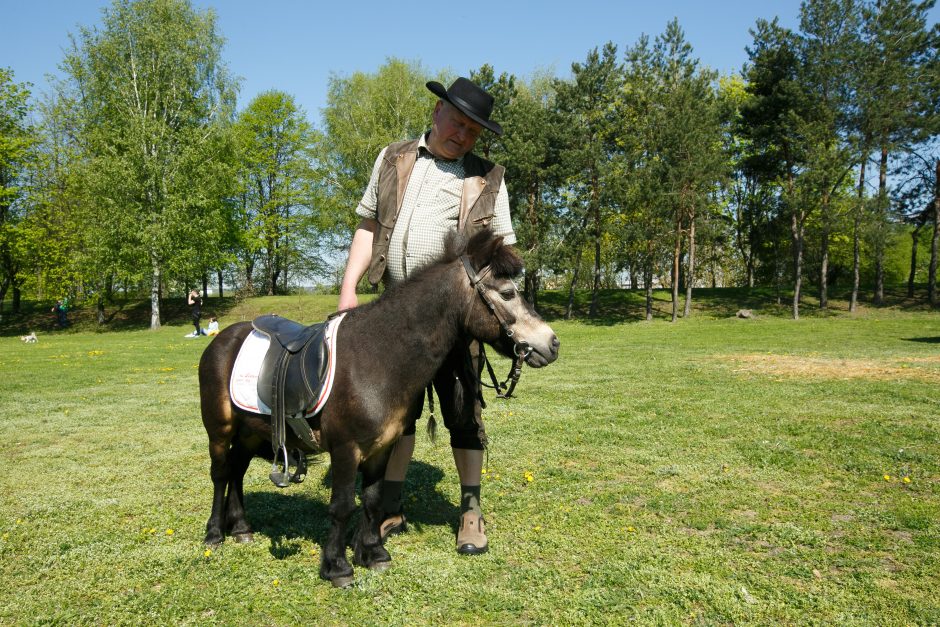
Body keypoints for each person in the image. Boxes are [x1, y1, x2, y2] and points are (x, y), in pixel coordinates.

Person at [338, 77, 516, 555]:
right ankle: (388, 508)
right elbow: (368, 225)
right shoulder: (393, 157)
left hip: (458, 318)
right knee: (395, 414)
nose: (463, 135)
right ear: (438, 111)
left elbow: (504, 250)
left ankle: (471, 512)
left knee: (464, 412)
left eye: (473, 131)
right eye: (458, 122)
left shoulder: (488, 177)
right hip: (392, 316)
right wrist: (349, 286)